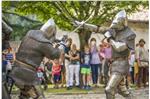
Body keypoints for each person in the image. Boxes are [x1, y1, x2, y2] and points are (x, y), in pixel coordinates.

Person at [74, 10, 136, 99]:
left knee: (109, 89)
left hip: (122, 64)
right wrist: (84, 25)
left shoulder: (130, 34)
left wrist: (109, 39)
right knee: (122, 90)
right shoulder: (113, 30)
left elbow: (119, 47)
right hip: (113, 64)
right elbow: (98, 28)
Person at [9, 18, 62, 99]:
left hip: (16, 69)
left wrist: (52, 41)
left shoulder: (30, 33)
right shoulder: (44, 43)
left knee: (24, 95)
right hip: (28, 75)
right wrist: (60, 45)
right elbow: (55, 55)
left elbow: (43, 44)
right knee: (39, 96)